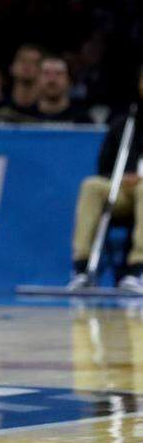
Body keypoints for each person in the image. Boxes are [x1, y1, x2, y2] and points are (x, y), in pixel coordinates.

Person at [66, 66, 143, 293]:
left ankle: (137, 270)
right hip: (123, 189)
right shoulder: (126, 123)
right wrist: (120, 179)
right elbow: (104, 168)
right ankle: (82, 269)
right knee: (92, 186)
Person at [31, 54, 90, 123]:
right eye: (46, 73)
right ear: (37, 79)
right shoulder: (22, 118)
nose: (52, 79)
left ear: (69, 80)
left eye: (59, 73)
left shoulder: (83, 121)